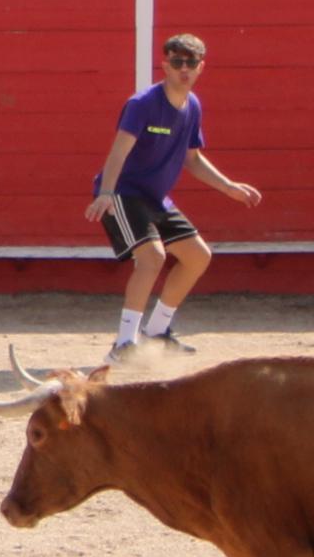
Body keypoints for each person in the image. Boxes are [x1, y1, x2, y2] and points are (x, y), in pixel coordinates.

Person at [87, 30, 261, 360]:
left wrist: (229, 187)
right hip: (124, 192)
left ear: (201, 67)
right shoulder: (142, 104)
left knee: (198, 256)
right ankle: (123, 344)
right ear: (164, 66)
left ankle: (156, 332)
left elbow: (192, 158)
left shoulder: (191, 106)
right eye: (177, 62)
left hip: (154, 197)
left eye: (190, 63)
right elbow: (118, 152)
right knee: (152, 258)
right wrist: (107, 192)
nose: (184, 69)